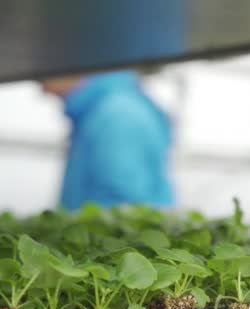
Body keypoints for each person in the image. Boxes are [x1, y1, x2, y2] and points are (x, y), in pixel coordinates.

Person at [41, 70, 174, 210]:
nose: (43, 90)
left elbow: (123, 205)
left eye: (42, 78)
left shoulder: (118, 115)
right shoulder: (103, 108)